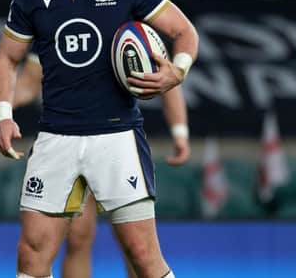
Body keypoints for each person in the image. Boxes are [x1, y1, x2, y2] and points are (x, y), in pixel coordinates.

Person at [0, 0, 199, 278]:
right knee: (31, 255)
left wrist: (179, 69)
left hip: (116, 136)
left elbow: (185, 32)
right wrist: (4, 114)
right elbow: (6, 58)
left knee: (142, 255)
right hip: (56, 137)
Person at [13, 49, 190, 278]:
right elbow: (30, 79)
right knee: (78, 236)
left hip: (118, 142)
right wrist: (3, 108)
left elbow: (165, 76)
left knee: (134, 243)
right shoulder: (57, 20)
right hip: (69, 142)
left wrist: (180, 132)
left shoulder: (126, 21)